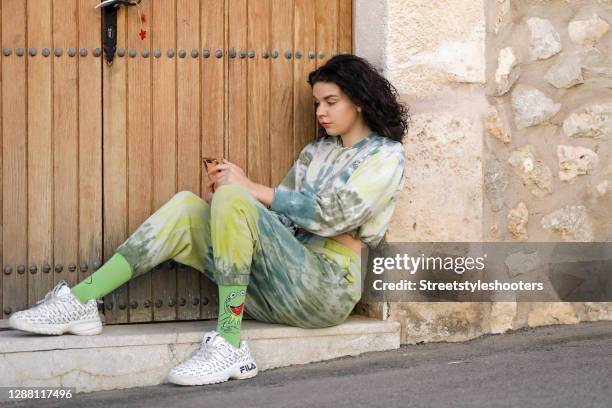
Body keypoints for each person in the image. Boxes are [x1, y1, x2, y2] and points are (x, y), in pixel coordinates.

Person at [8, 54, 409, 386]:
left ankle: (230, 343)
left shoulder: (386, 156)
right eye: (317, 103)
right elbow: (280, 219)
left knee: (237, 195)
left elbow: (335, 214)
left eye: (331, 101)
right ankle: (81, 301)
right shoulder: (314, 152)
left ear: (358, 100)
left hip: (325, 290)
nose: (320, 111)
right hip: (274, 285)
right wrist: (226, 209)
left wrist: (248, 190)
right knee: (187, 206)